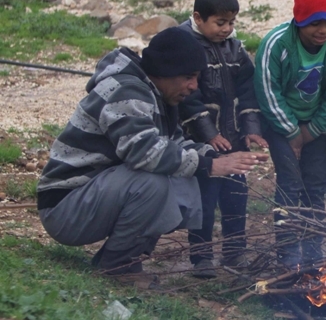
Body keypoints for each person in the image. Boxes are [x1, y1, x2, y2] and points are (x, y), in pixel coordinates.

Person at [36, 27, 266, 289]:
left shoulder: (156, 94)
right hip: (64, 208)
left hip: (90, 198)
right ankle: (117, 265)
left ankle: (125, 258)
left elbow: (175, 143)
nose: (194, 86)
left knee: (182, 176)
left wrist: (214, 155)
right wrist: (209, 165)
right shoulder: (127, 91)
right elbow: (143, 153)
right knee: (153, 182)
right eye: (189, 77)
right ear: (165, 71)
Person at [254, 0, 326, 268]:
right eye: (314, 23)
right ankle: (287, 253)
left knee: (315, 185)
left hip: (315, 126)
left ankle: (312, 252)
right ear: (299, 18)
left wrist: (312, 131)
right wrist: (290, 131)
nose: (323, 30)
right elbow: (267, 90)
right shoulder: (276, 44)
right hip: (280, 122)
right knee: (289, 185)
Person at [177, 0, 269, 279]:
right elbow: (188, 100)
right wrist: (207, 134)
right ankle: (201, 256)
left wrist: (251, 128)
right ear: (198, 17)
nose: (227, 29)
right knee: (204, 198)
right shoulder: (184, 44)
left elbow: (248, 89)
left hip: (235, 138)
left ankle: (234, 251)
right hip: (203, 144)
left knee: (236, 196)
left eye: (231, 22)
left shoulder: (235, 47)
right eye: (220, 22)